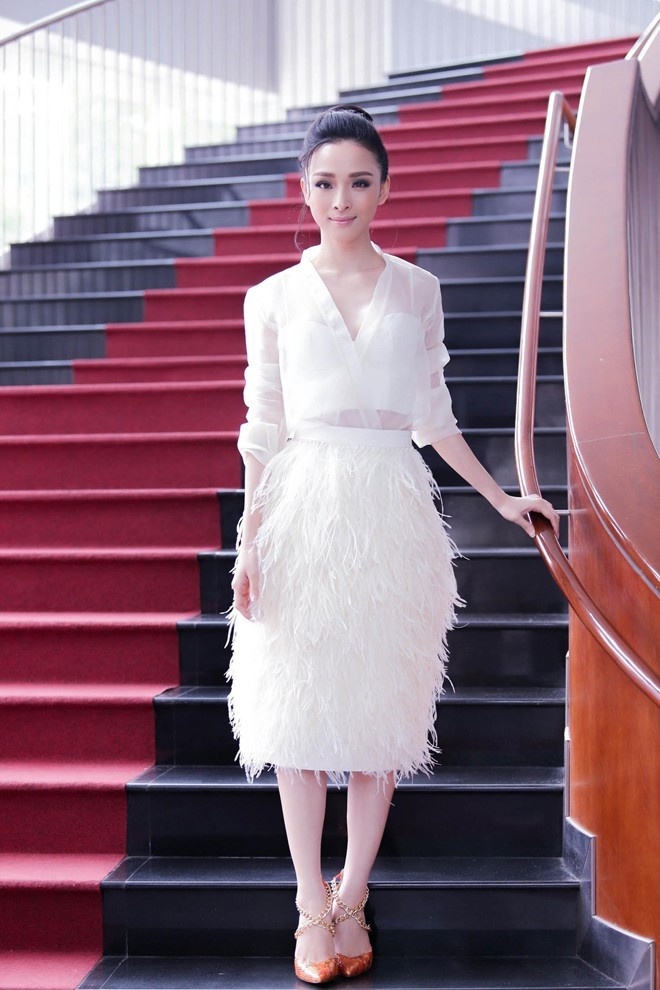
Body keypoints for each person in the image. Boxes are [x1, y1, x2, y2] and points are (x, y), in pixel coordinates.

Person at [228, 104, 559, 984]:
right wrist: (249, 541)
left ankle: (353, 895)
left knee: (383, 717)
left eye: (359, 182)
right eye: (325, 183)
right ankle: (309, 905)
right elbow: (262, 425)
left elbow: (433, 419)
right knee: (296, 711)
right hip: (302, 507)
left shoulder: (418, 289)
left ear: (384, 189)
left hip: (391, 510)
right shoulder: (272, 298)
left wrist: (504, 498)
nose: (341, 199)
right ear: (304, 191)